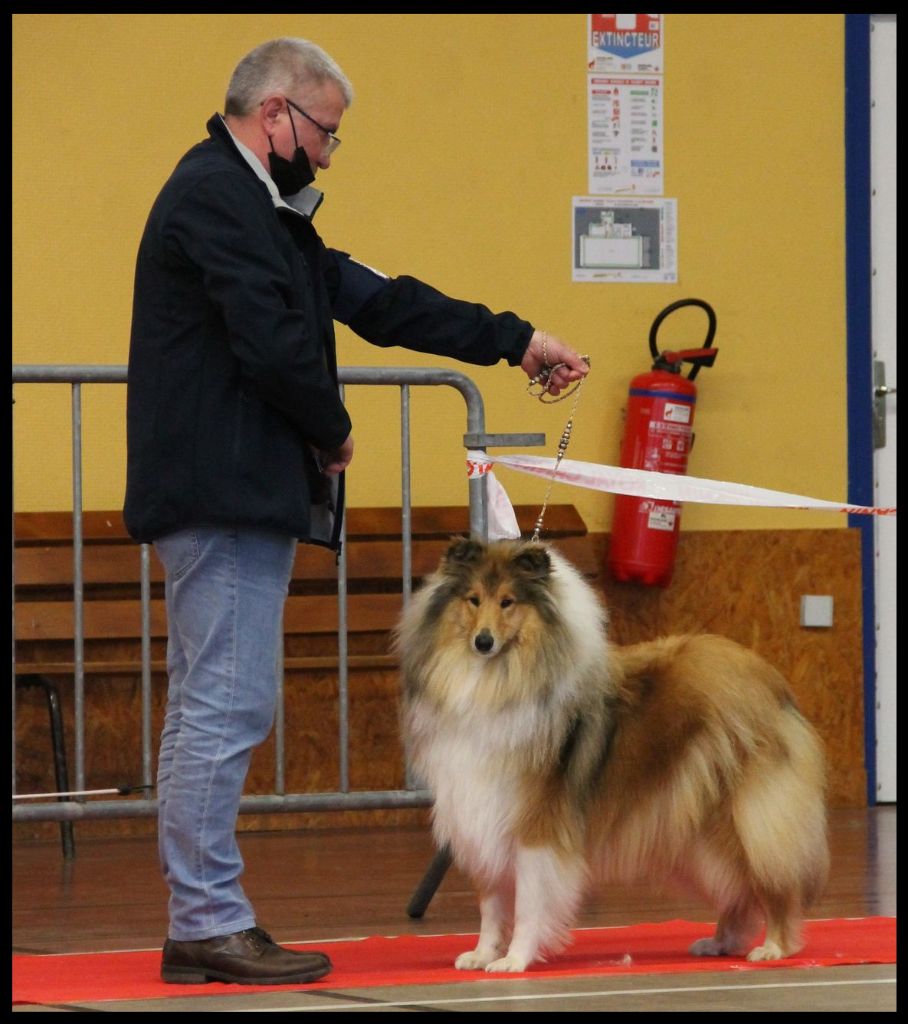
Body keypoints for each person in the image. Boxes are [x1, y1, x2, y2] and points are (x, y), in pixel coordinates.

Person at [124, 37, 588, 986]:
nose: (331, 154)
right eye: (327, 134)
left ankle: (200, 917)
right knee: (226, 707)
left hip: (233, 493)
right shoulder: (217, 195)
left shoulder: (269, 213)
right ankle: (208, 920)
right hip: (223, 493)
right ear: (276, 115)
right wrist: (332, 430)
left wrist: (517, 340)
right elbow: (268, 337)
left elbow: (379, 300)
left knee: (213, 708)